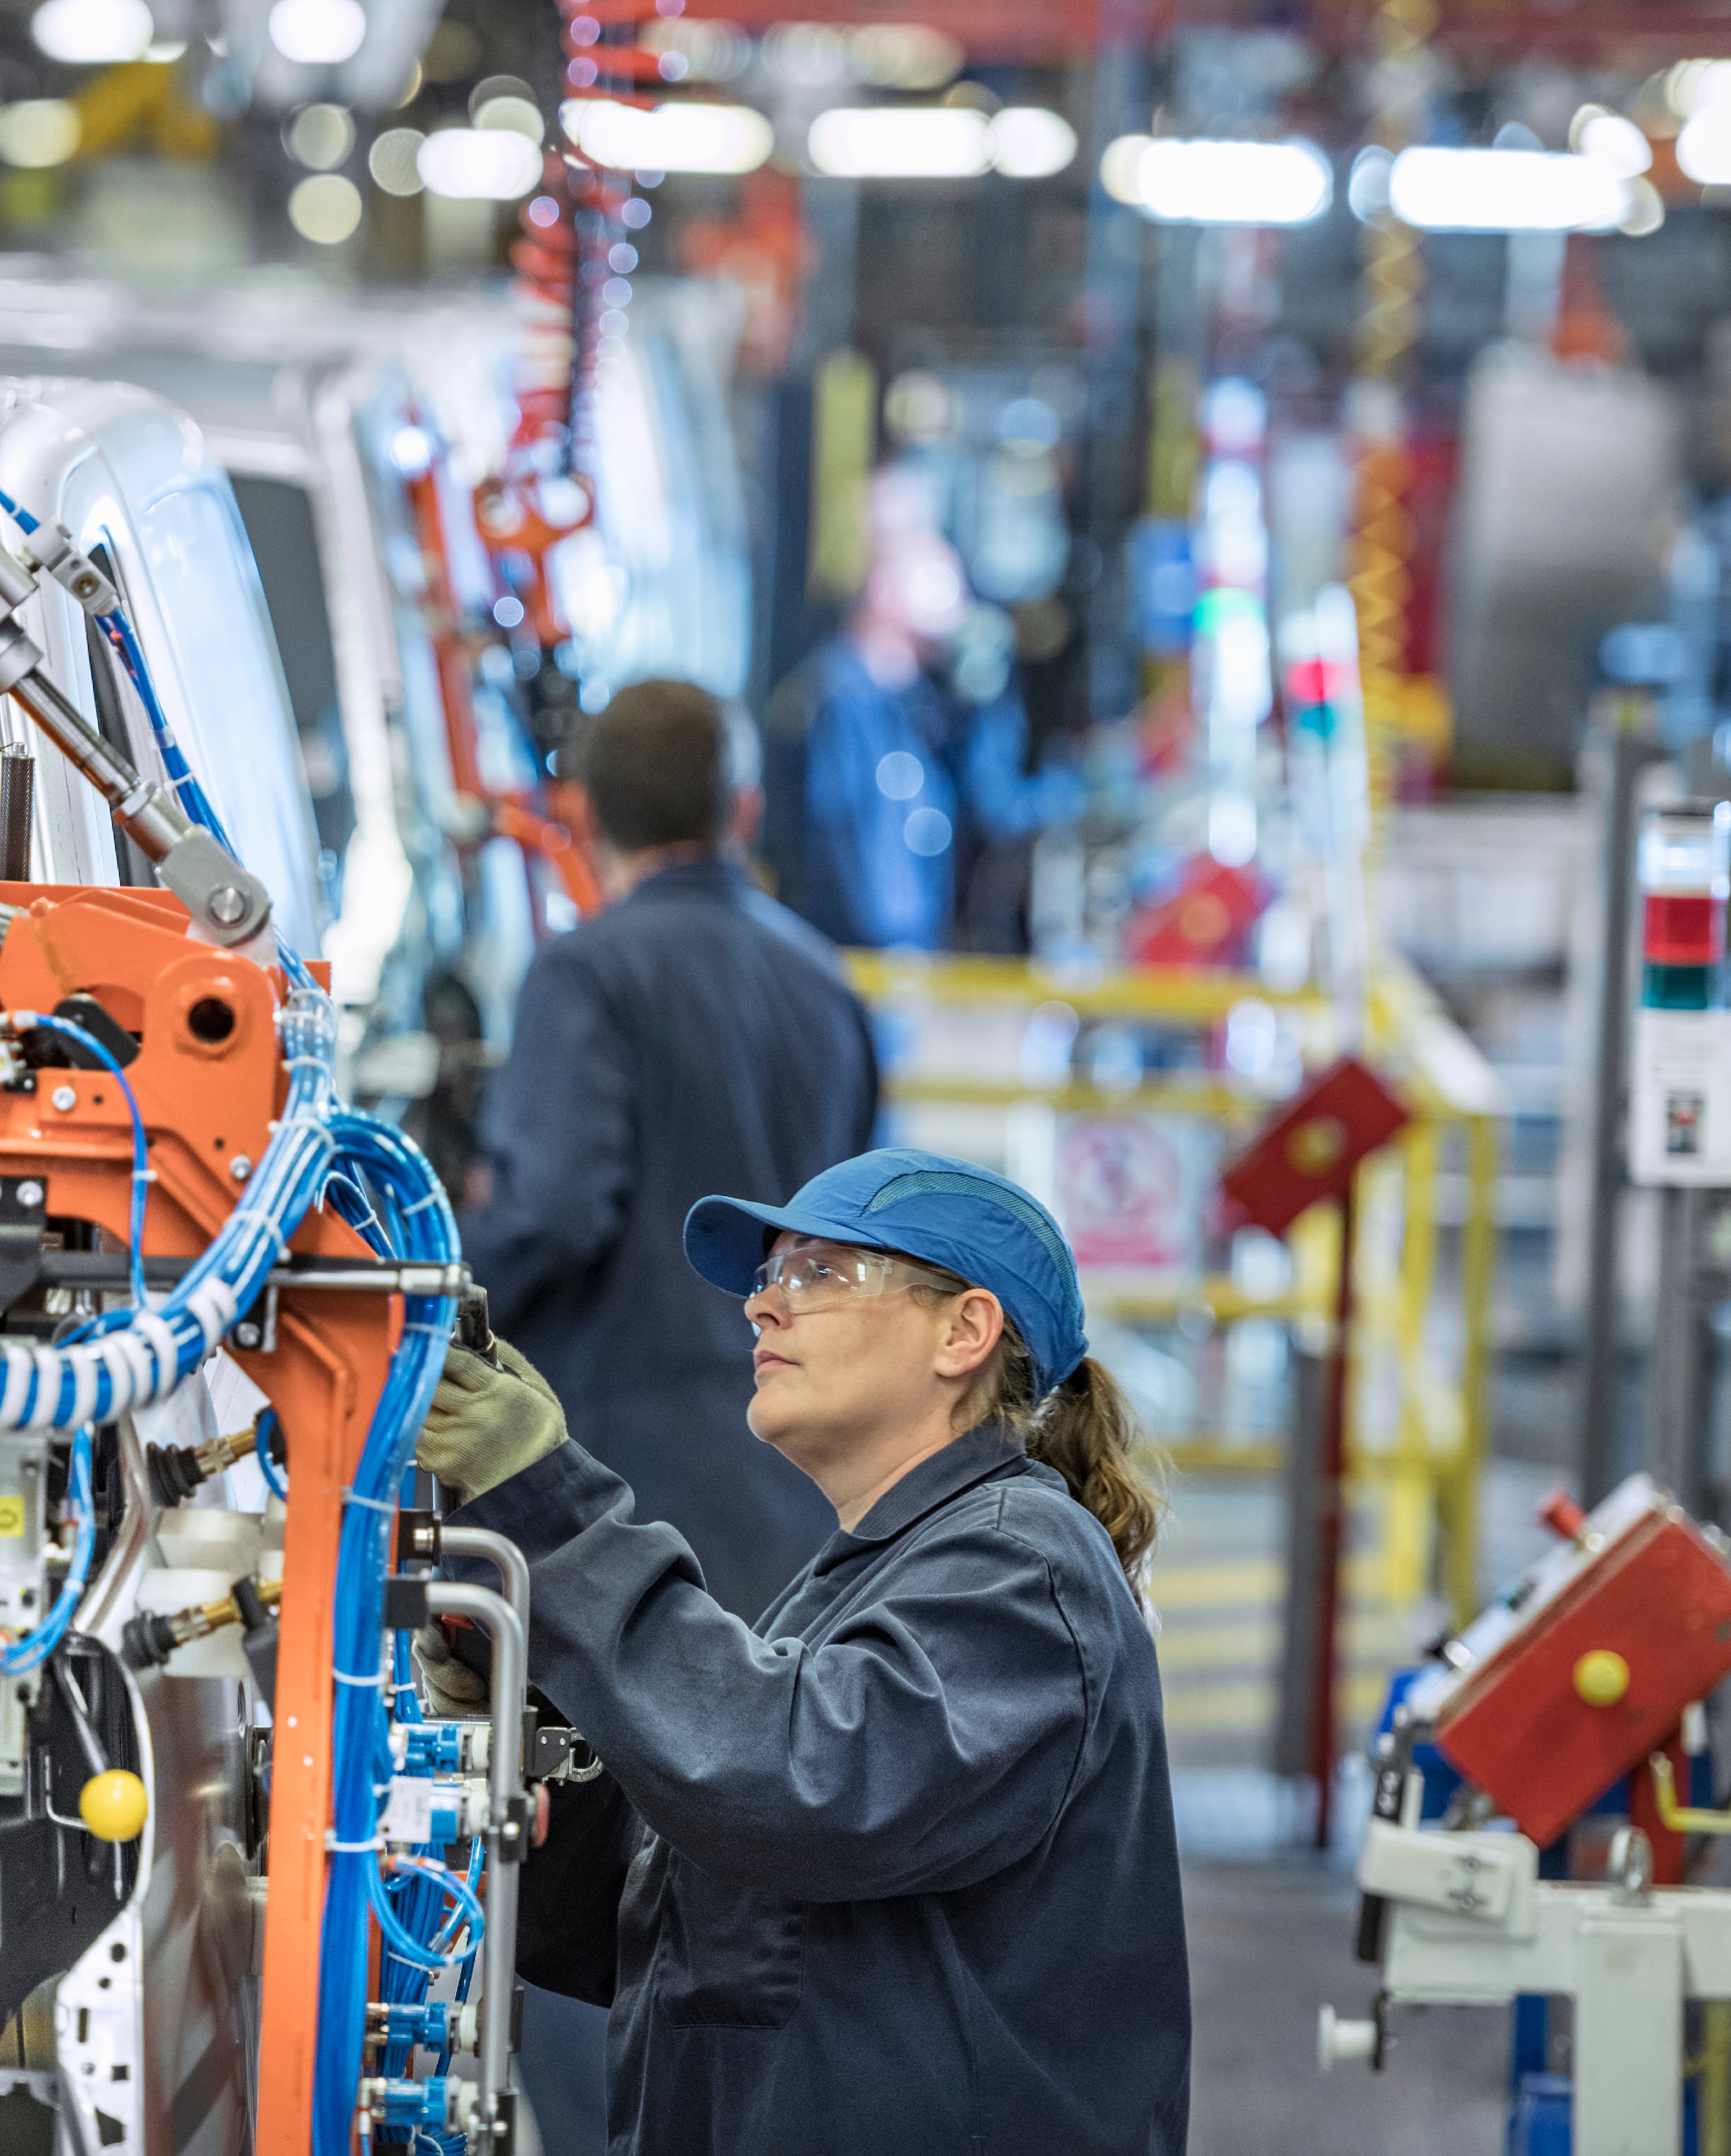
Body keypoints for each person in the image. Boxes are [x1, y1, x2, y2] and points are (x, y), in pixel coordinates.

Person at [418, 1146, 1189, 2155]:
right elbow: (668, 1914)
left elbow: (804, 1785)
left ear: (965, 1330)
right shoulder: (863, 1585)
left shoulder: (1024, 1567)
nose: (761, 1306)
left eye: (818, 1272)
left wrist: (555, 1518)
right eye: (767, 1275)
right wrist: (525, 1694)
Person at [462, 677, 876, 1623]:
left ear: (581, 813)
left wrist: (428, 1302)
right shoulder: (828, 983)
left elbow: (555, 1212)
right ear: (744, 809)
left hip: (616, 1483)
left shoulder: (587, 969)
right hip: (801, 1478)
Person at [761, 467, 1082, 953]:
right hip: (867, 962)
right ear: (882, 585)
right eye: (923, 554)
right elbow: (846, 853)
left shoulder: (920, 702)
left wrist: (983, 676)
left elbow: (993, 800)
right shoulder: (841, 701)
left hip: (903, 956)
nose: (950, 576)